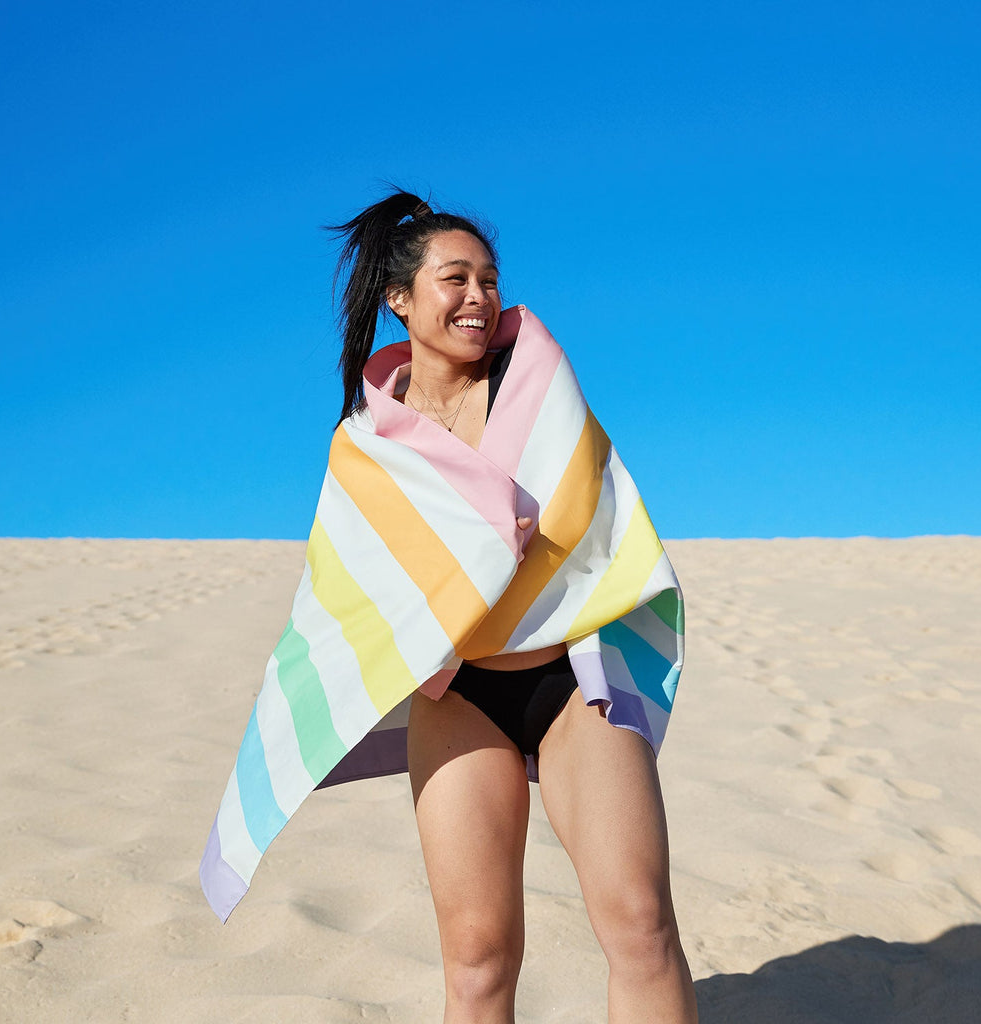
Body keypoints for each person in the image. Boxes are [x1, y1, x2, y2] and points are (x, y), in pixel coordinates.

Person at [199, 189, 697, 1024]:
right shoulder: (365, 443)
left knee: (641, 926)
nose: (478, 296)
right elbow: (348, 589)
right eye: (454, 278)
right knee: (476, 961)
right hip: (459, 696)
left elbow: (581, 513)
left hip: (574, 683)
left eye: (489, 279)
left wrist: (492, 539)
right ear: (400, 298)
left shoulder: (537, 378)